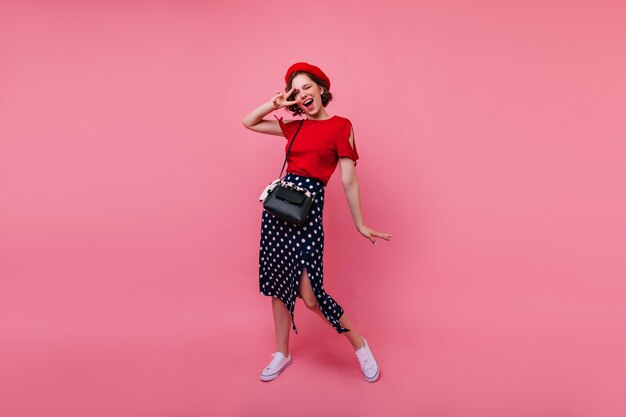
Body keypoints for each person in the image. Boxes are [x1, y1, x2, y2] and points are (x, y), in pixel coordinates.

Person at [242, 62, 391, 382]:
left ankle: (359, 344)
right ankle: (282, 353)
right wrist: (277, 103)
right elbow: (249, 122)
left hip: (307, 212)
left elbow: (349, 179)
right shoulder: (293, 127)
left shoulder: (341, 126)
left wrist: (360, 223)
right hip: (277, 212)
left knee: (310, 295)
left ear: (322, 89)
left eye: (307, 87)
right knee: (277, 284)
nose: (302, 94)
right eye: (296, 91)